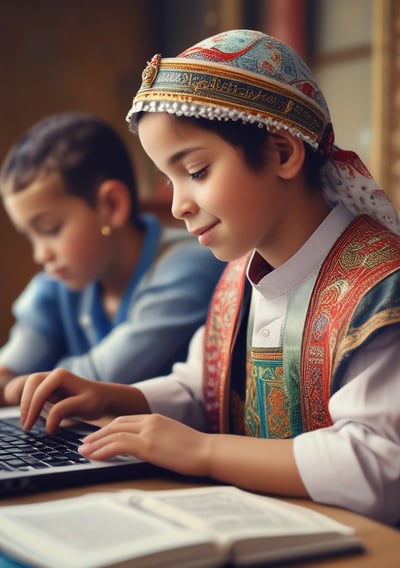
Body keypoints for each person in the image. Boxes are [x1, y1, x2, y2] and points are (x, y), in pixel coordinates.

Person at [6, 30, 400, 525]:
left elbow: (383, 464)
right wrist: (115, 397)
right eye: (169, 181)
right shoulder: (238, 278)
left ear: (281, 152)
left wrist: (205, 452)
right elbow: (203, 390)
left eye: (196, 171)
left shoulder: (379, 284)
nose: (178, 205)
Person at [0, 112, 225, 404]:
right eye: (30, 236)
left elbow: (96, 379)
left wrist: (17, 386)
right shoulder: (61, 281)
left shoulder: (189, 264)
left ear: (112, 204)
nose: (41, 254)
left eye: (50, 230)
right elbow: (11, 365)